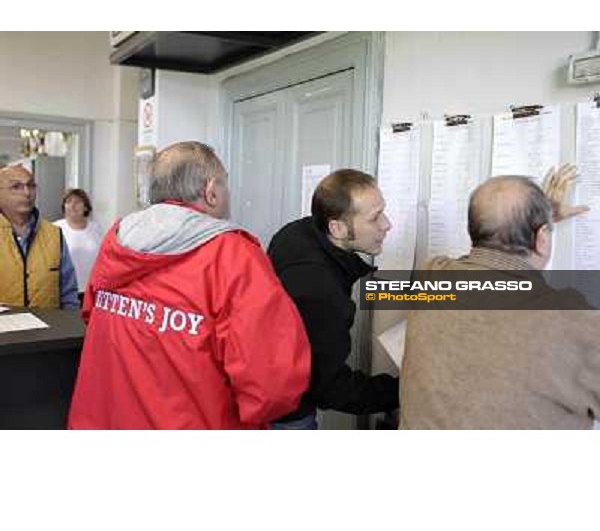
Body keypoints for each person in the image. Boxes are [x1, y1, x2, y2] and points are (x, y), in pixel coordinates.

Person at [68, 141, 311, 430]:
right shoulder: (231, 253)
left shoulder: (117, 240)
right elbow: (272, 383)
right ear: (211, 191)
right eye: (225, 186)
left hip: (103, 420)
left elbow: (91, 313)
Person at [400, 166, 600, 429]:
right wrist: (539, 222)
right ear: (541, 239)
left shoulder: (432, 275)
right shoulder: (575, 319)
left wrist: (537, 223)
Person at [268, 169, 399, 430]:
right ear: (337, 228)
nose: (386, 224)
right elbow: (330, 389)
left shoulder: (297, 231)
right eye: (375, 218)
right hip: (285, 411)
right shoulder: (319, 289)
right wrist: (402, 390)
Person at [0, 164, 78, 309]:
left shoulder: (54, 234)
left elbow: (68, 294)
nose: (27, 193)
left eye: (31, 185)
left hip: (50, 329)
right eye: (16, 186)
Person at [54, 188, 103, 304]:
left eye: (77, 202)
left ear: (86, 207)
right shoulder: (56, 228)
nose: (72, 205)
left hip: (92, 290)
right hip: (66, 292)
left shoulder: (96, 228)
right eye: (69, 202)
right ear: (64, 206)